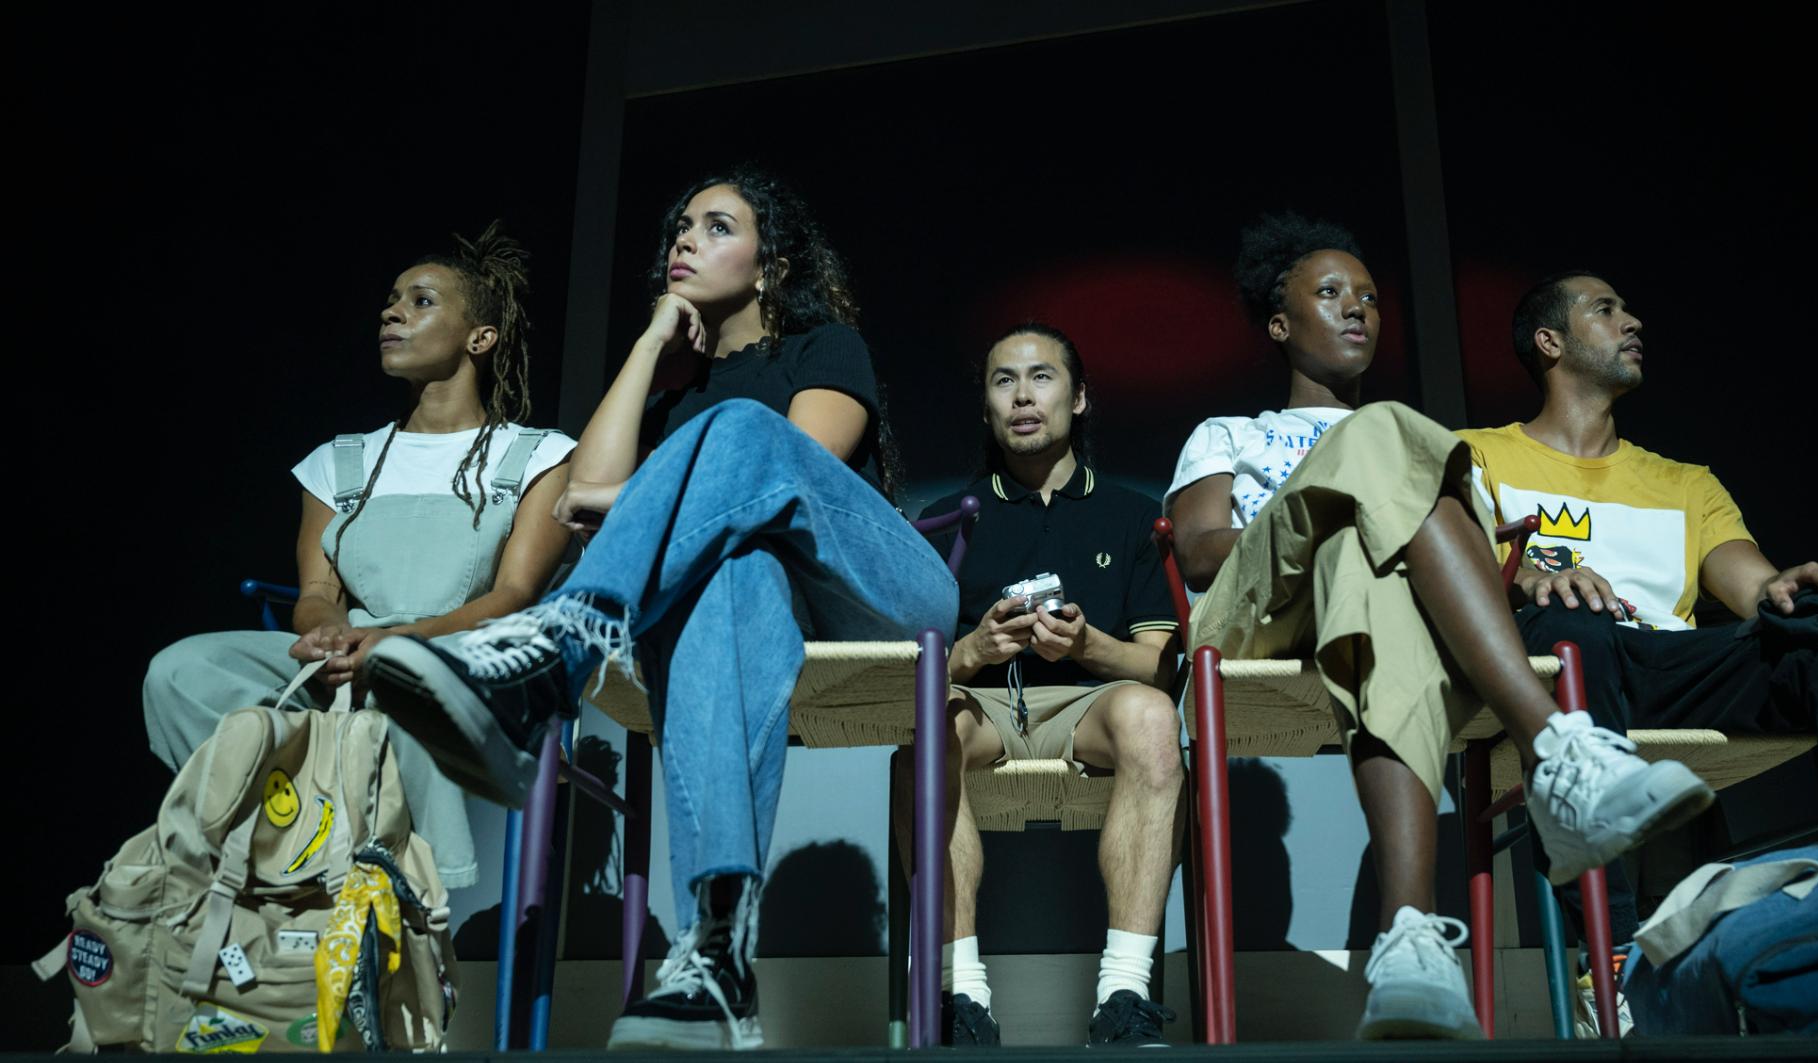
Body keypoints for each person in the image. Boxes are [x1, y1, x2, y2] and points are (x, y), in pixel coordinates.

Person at [361, 167, 958, 1051]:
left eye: (717, 226)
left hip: (879, 588)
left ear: (769, 265)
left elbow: (793, 467)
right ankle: (719, 954)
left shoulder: (822, 347)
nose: (685, 238)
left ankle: (562, 642)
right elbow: (584, 486)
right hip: (761, 609)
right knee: (731, 579)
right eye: (681, 226)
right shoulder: (677, 394)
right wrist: (649, 345)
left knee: (745, 435)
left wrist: (639, 497)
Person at [1163, 214, 1714, 1039]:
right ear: (1280, 324)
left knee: (1366, 564)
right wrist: (1325, 499)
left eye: (1369, 297)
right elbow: (1200, 551)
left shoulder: (1415, 455)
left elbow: (1473, 558)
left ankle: (1409, 940)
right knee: (1381, 438)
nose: (1357, 308)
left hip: (1360, 604)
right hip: (1253, 612)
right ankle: (1556, 749)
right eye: (1330, 293)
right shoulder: (1232, 434)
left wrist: (1506, 567)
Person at [1460, 270, 1818, 1031]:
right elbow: (1458, 573)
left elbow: (1756, 589)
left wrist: (1794, 585)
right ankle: (1612, 961)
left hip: (1671, 667)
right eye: (1607, 309)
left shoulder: (1685, 482)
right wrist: (1527, 576)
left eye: (1629, 308)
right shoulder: (1478, 454)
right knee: (1575, 627)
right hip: (1554, 673)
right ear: (1549, 341)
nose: (1634, 321)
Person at [143, 223, 575, 888]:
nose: (391, 313)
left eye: (420, 301)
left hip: (461, 660)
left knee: (406, 676)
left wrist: (395, 641)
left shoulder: (537, 455)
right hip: (349, 659)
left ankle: (405, 883)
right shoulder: (340, 461)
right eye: (391, 300)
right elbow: (318, 591)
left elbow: (512, 596)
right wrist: (326, 632)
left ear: (479, 338)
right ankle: (284, 840)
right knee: (180, 671)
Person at [899, 324, 1183, 1047]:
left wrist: (1089, 645)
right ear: (987, 408)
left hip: (1091, 704)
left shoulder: (1131, 514)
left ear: (1078, 397)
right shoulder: (946, 519)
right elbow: (907, 670)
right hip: (984, 706)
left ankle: (1124, 994)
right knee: (927, 728)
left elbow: (1160, 666)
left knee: (1154, 716)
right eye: (1004, 381)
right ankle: (961, 996)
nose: (1023, 396)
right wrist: (972, 648)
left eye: (1042, 377)